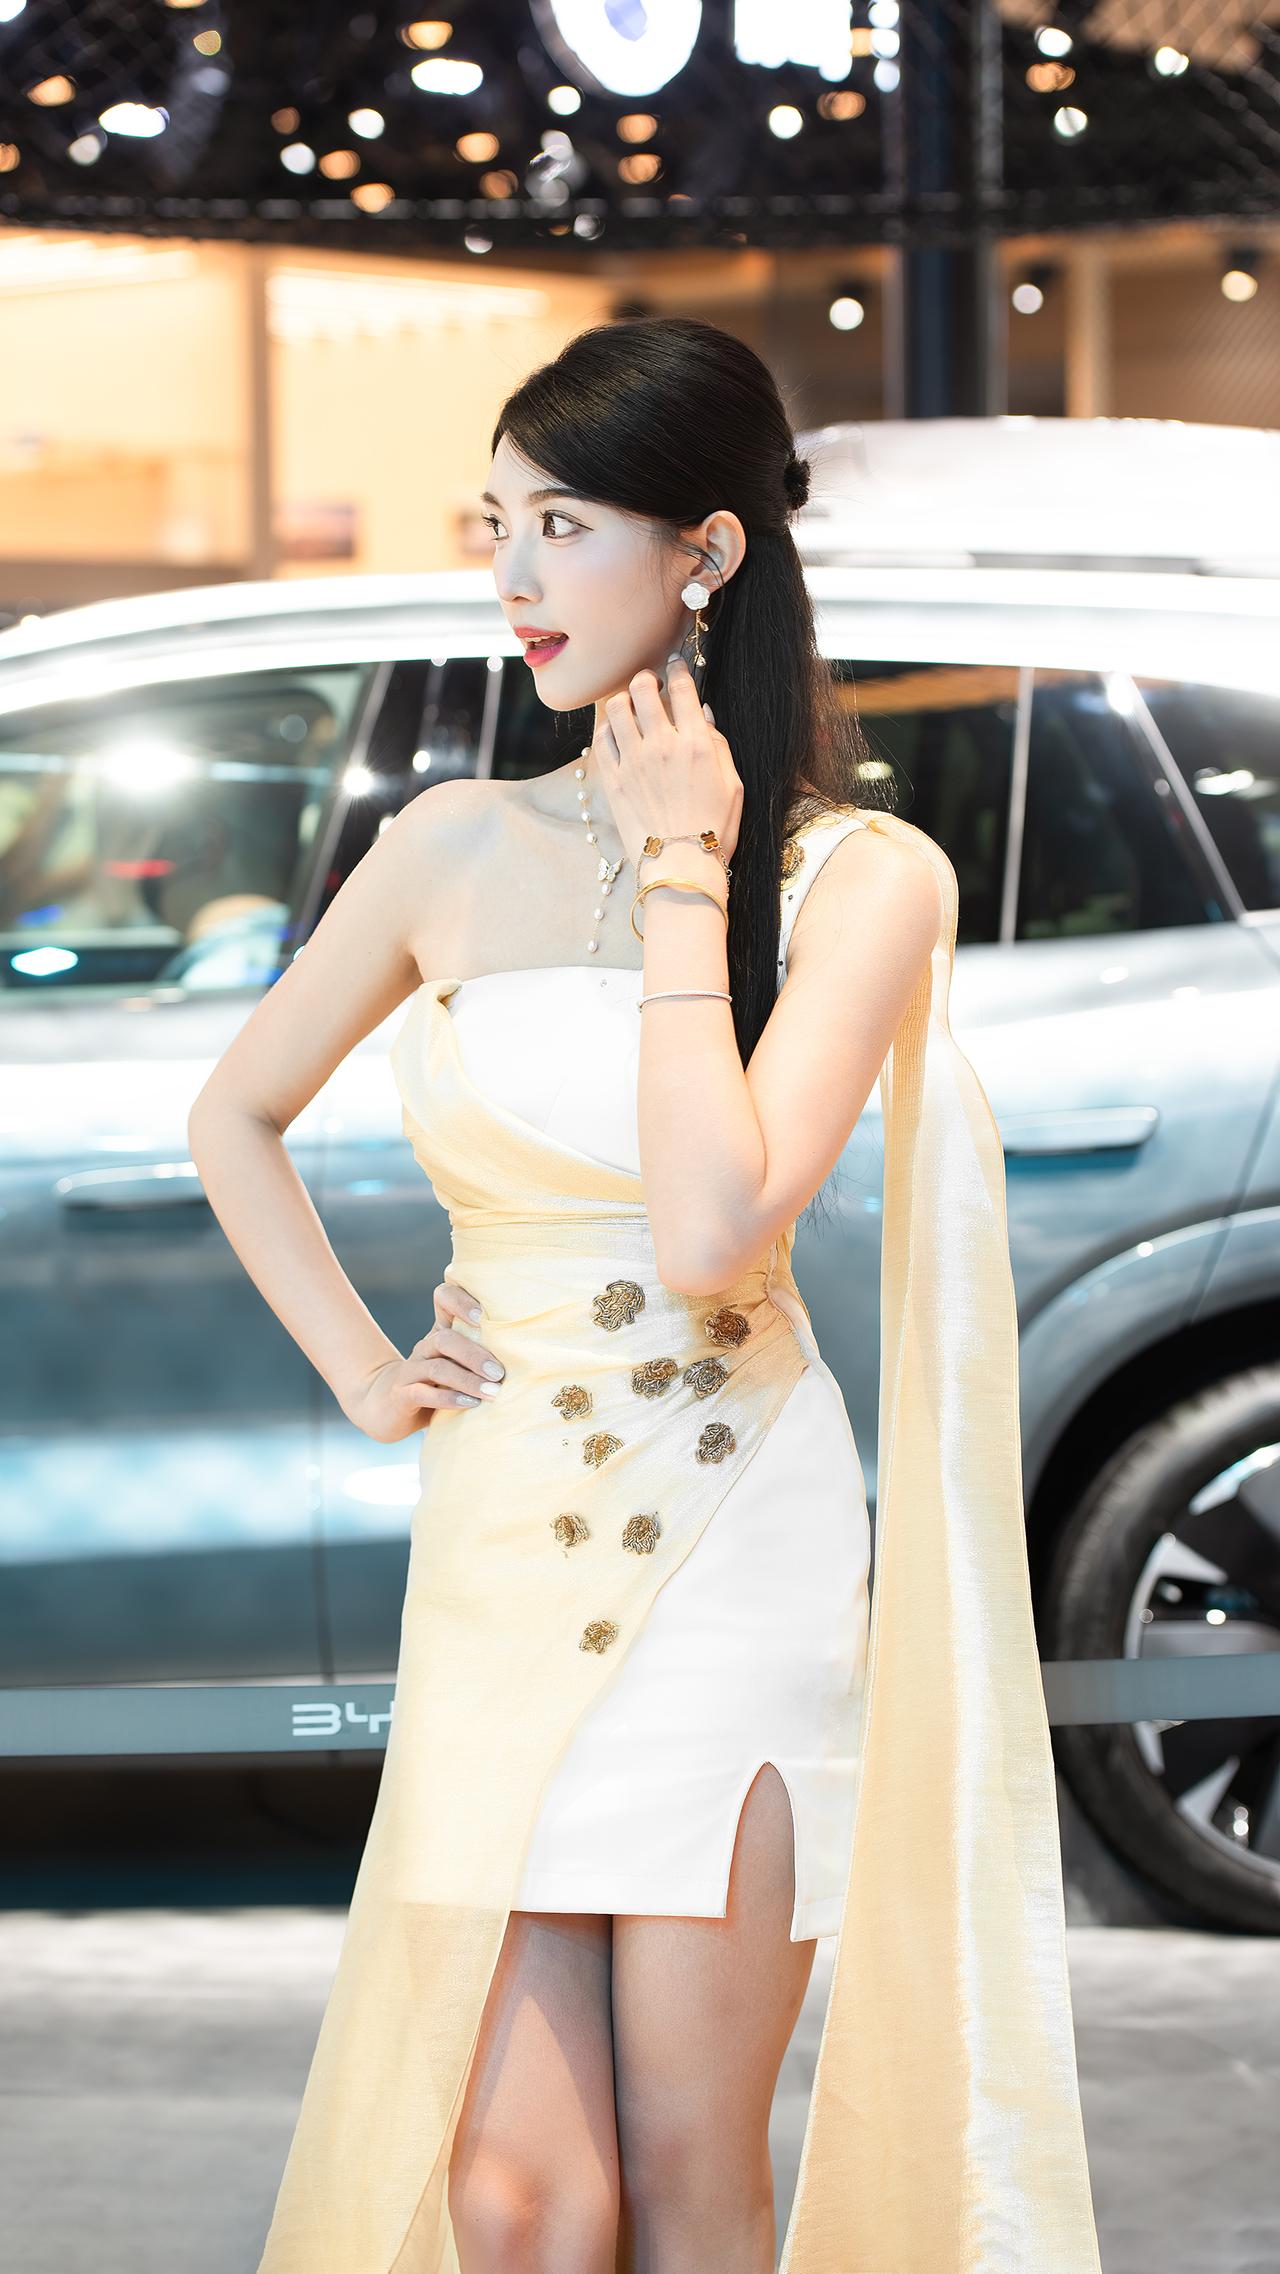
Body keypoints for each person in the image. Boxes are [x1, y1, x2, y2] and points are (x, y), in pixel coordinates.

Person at [189, 316, 1101, 2274]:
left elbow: (708, 1229)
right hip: (501, 1536)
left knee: (692, 2184)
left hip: (730, 1534)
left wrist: (689, 871)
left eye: (562, 522)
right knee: (519, 2204)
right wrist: (363, 1372)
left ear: (706, 552)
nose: (511, 574)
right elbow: (232, 1115)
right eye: (494, 522)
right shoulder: (450, 842)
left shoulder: (862, 879)